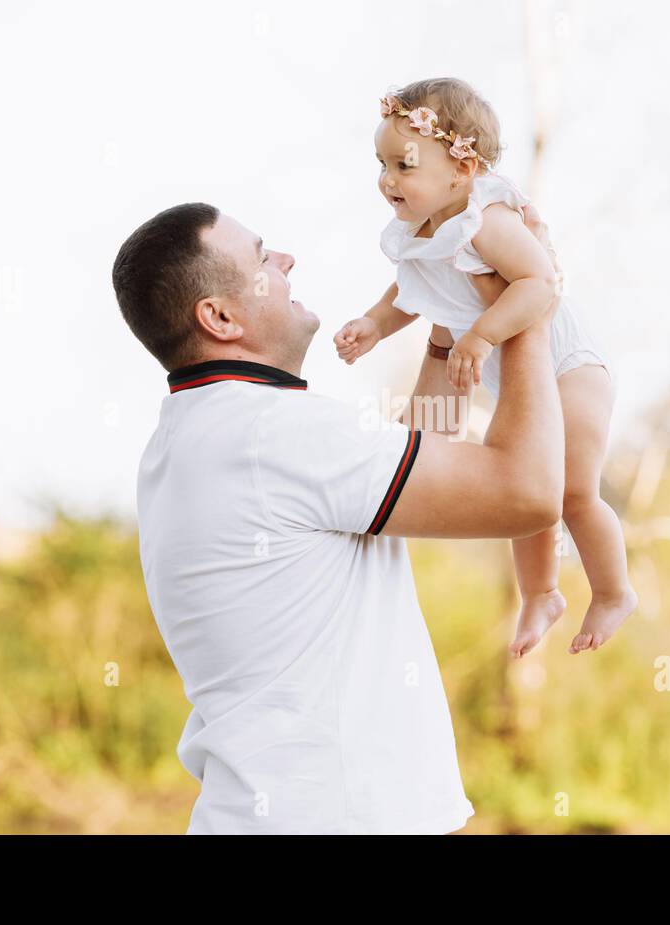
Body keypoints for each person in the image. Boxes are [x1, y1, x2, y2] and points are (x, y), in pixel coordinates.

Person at [111, 198, 562, 833]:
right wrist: (530, 306)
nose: (288, 259)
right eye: (264, 257)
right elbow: (528, 492)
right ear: (218, 316)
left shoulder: (200, 433)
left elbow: (423, 458)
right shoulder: (278, 433)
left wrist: (444, 323)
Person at [335, 77, 638, 658]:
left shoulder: (486, 219)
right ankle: (541, 593)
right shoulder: (417, 233)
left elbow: (538, 282)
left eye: (403, 165)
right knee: (529, 490)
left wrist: (481, 333)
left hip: (569, 366)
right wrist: (374, 326)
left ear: (462, 168)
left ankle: (613, 591)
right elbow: (409, 288)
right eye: (382, 164)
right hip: (517, 377)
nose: (386, 180)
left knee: (572, 489)